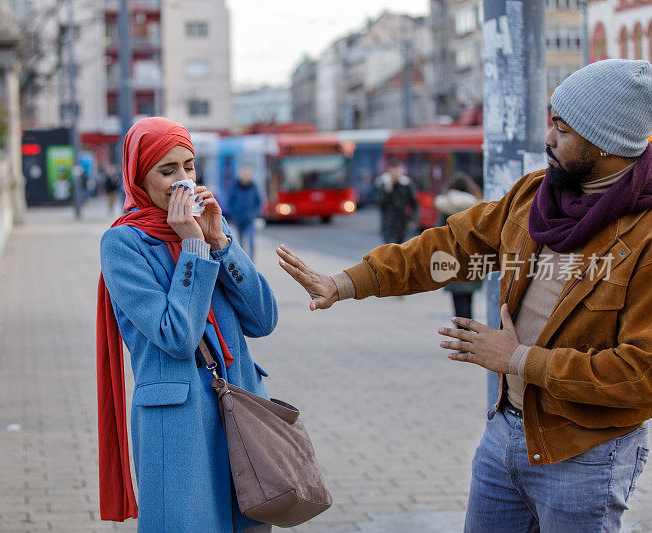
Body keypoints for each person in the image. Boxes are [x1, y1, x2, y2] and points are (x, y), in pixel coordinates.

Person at [277, 59, 652, 531]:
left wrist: (518, 359)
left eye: (563, 129)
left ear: (605, 142)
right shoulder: (534, 194)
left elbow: (641, 374)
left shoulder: (645, 237)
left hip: (587, 453)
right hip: (506, 433)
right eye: (550, 123)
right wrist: (345, 283)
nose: (548, 139)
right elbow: (450, 247)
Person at [96, 117, 278, 532]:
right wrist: (193, 247)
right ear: (139, 177)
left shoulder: (208, 228)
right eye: (167, 170)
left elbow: (264, 319)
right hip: (177, 425)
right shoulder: (122, 244)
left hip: (242, 405)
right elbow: (177, 336)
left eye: (189, 166)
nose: (184, 182)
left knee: (251, 524)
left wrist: (220, 244)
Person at [434, 172, 484, 320]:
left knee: (458, 303)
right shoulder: (477, 207)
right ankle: (468, 336)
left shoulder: (446, 208)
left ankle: (463, 337)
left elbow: (438, 235)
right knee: (469, 299)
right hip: (472, 260)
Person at [373, 159, 419, 244]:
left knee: (400, 249)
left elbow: (414, 203)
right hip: (388, 224)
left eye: (398, 170)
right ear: (389, 171)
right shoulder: (382, 183)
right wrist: (387, 190)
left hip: (403, 223)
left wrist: (414, 219)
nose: (396, 173)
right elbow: (378, 202)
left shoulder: (406, 184)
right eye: (394, 170)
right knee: (391, 248)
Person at [227, 165, 262, 261]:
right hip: (238, 219)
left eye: (248, 174)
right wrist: (234, 214)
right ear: (241, 174)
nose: (246, 176)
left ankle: (252, 262)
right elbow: (230, 202)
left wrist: (254, 213)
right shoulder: (235, 186)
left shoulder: (254, 187)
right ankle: (243, 262)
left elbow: (258, 202)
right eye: (245, 174)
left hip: (249, 219)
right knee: (240, 242)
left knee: (251, 241)